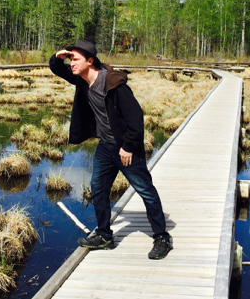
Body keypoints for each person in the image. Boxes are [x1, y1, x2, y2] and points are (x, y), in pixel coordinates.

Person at [49, 40, 173, 260]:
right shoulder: (81, 79)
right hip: (106, 147)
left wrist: (128, 146)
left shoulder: (114, 84)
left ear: (90, 60)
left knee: (145, 190)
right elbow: (57, 69)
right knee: (98, 189)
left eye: (75, 59)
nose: (72, 64)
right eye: (71, 60)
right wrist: (58, 57)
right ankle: (105, 235)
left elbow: (136, 118)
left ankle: (162, 237)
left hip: (126, 149)